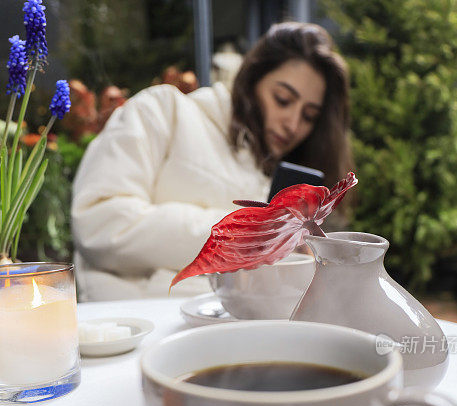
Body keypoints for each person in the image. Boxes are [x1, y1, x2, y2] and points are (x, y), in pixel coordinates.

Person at [71, 22, 352, 300]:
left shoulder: (278, 182)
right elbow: (98, 222)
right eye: (282, 99)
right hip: (135, 328)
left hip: (230, 332)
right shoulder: (164, 111)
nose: (292, 124)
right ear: (252, 78)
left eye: (309, 117)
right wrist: (247, 233)